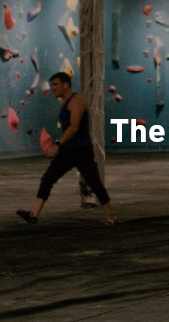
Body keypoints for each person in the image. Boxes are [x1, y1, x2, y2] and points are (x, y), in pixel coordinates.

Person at [16, 72, 115, 225]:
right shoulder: (66, 102)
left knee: (94, 182)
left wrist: (57, 145)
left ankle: (110, 216)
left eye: (55, 84)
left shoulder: (77, 101)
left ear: (65, 84)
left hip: (81, 150)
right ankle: (33, 215)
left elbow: (74, 127)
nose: (53, 88)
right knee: (48, 178)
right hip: (68, 150)